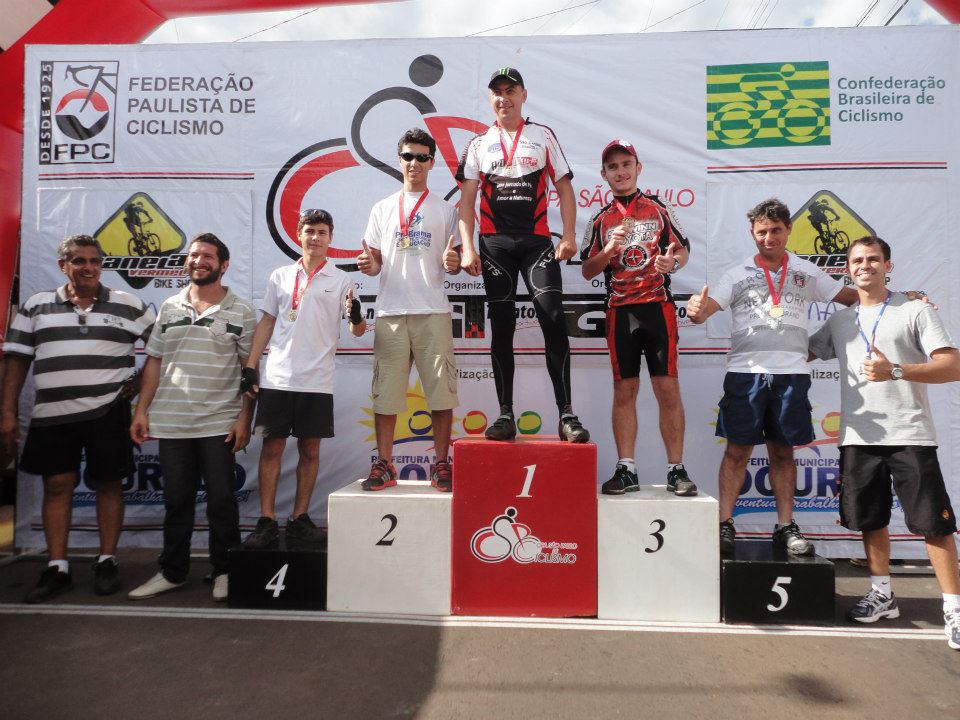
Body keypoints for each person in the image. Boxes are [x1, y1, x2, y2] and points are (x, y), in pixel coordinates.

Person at [808, 236, 960, 649]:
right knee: (871, 519)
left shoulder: (915, 310)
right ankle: (882, 595)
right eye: (857, 260)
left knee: (933, 524)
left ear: (887, 266)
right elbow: (800, 352)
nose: (865, 266)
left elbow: (952, 366)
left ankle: (953, 608)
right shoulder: (840, 322)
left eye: (873, 259)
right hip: (858, 437)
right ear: (847, 269)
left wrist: (895, 371)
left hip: (910, 434)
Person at [687, 198, 858, 556]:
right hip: (745, 374)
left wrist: (896, 299)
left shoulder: (807, 271)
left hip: (791, 375)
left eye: (775, 230)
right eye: (761, 232)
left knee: (783, 452)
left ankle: (785, 526)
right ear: (752, 233)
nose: (769, 238)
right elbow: (704, 313)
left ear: (788, 229)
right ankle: (724, 523)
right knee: (737, 452)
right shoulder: (736, 274)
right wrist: (696, 310)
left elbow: (849, 298)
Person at [0, 234, 155, 602]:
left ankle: (106, 560)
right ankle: (58, 567)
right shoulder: (36, 306)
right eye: (79, 261)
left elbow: (162, 349)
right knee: (56, 485)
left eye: (94, 261)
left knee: (109, 485)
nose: (88, 267)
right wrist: (6, 412)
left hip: (108, 411)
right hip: (52, 414)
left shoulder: (128, 304)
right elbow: (17, 360)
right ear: (63, 265)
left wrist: (137, 385)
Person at [456, 67, 589, 444]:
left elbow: (564, 189)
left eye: (510, 90)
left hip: (536, 243)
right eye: (497, 92)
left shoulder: (542, 135)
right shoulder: (478, 143)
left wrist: (569, 236)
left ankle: (567, 415)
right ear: (490, 99)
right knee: (502, 326)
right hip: (495, 245)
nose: (504, 98)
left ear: (523, 95)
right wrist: (467, 247)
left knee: (553, 320)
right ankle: (505, 414)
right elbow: (466, 202)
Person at [128, 233, 256, 602]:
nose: (199, 261)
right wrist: (141, 410)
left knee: (221, 501)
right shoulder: (170, 306)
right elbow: (154, 361)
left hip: (219, 421)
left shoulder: (242, 311)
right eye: (194, 255)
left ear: (223, 265)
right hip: (172, 422)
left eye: (207, 256)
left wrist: (243, 420)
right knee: (176, 501)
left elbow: (249, 372)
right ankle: (172, 571)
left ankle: (225, 570)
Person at [240, 209, 366, 548]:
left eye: (322, 232)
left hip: (317, 380)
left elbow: (357, 329)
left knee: (310, 450)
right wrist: (250, 365)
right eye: (310, 231)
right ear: (299, 234)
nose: (315, 238)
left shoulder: (341, 280)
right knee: (272, 448)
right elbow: (267, 322)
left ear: (330, 238)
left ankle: (299, 518)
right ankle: (267, 520)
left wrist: (356, 317)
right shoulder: (280, 276)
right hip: (278, 377)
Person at [580, 140, 696, 497]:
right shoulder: (599, 219)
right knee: (624, 389)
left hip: (657, 307)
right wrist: (608, 250)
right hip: (620, 311)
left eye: (626, 164)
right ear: (604, 174)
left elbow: (683, 251)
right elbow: (587, 269)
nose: (621, 172)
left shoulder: (658, 208)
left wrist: (672, 263)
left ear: (638, 167)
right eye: (613, 167)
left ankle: (676, 469)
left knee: (667, 387)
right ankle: (626, 468)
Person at [357, 128, 460, 491]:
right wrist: (369, 266)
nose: (414, 163)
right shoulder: (382, 208)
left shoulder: (446, 210)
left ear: (432, 162)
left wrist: (453, 263)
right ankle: (384, 464)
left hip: (433, 311)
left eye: (421, 157)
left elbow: (454, 262)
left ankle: (441, 463)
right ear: (398, 160)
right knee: (385, 395)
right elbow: (375, 262)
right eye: (407, 156)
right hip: (391, 313)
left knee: (441, 395)